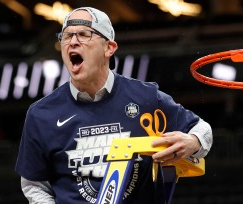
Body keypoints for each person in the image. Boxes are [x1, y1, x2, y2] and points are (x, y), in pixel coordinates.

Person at [15, 7, 213, 204]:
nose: (73, 42)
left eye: (84, 34)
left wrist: (193, 142)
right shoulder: (40, 114)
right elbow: (34, 185)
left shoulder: (145, 97)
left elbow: (203, 129)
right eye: (66, 36)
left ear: (108, 48)